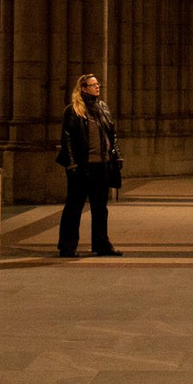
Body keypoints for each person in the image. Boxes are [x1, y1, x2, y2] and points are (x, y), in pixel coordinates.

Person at [54, 73, 123, 258]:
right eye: (93, 85)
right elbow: (66, 138)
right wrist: (71, 164)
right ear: (83, 88)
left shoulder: (103, 108)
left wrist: (116, 156)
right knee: (74, 207)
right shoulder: (74, 110)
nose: (97, 87)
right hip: (82, 167)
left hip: (102, 166)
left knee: (100, 207)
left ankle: (102, 245)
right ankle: (67, 246)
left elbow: (112, 134)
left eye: (97, 84)